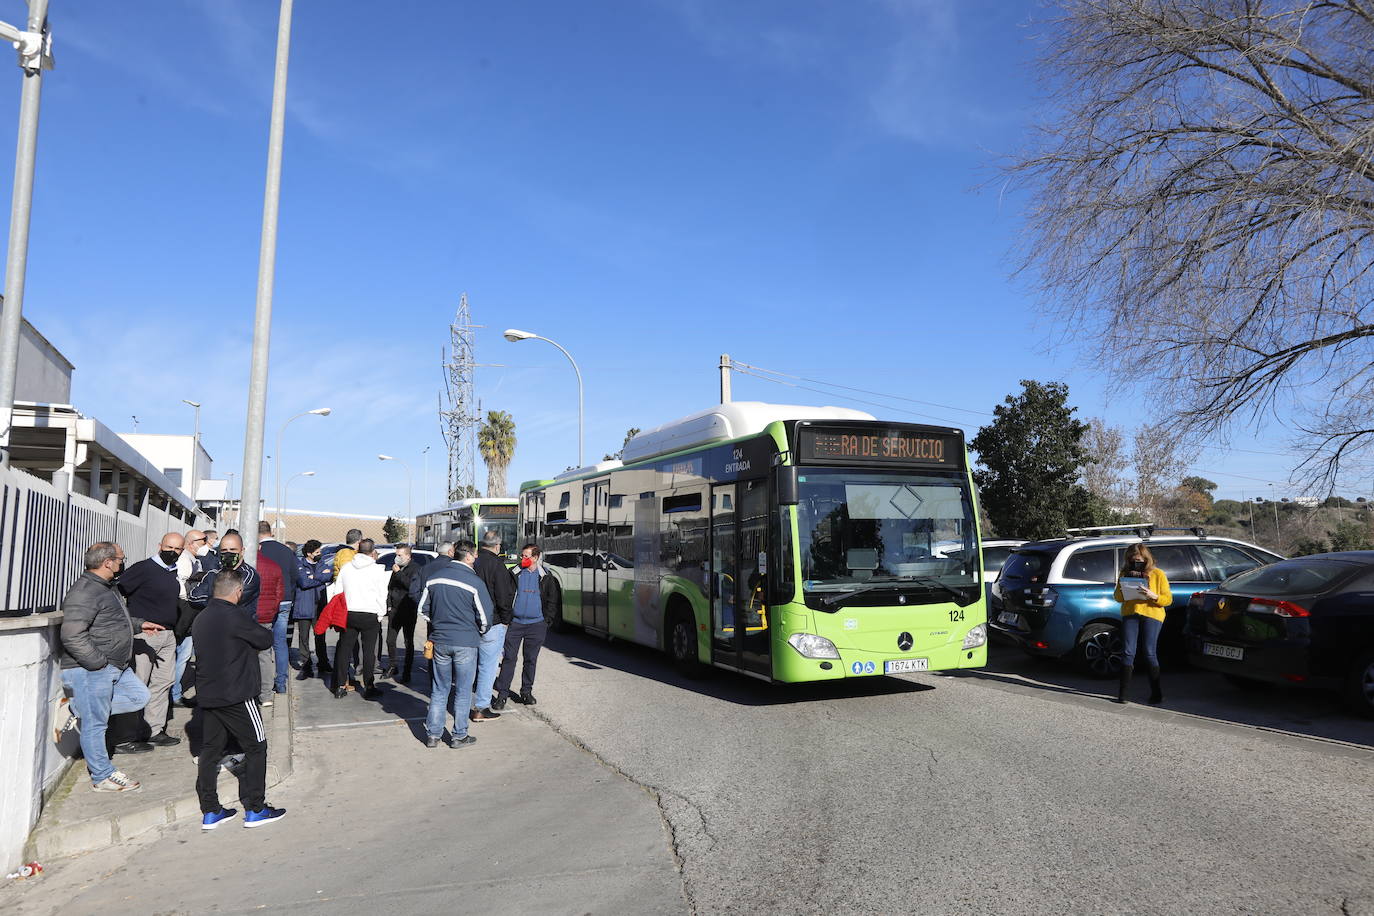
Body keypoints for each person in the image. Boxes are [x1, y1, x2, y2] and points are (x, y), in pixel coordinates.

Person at [192, 567, 286, 830]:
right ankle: (256, 808)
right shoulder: (236, 616)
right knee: (257, 747)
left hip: (209, 694)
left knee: (210, 751)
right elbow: (265, 639)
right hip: (237, 694)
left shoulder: (202, 617)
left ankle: (211, 811)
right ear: (237, 592)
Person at [58, 543, 157, 792]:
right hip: (94, 669)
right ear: (108, 562)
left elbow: (110, 621)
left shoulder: (105, 587)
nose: (123, 563)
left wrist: (138, 625)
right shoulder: (85, 591)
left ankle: (77, 708)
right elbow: (72, 635)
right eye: (121, 559)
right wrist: (98, 664)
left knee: (139, 697)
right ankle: (102, 776)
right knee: (96, 723)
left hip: (115, 666)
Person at [418, 540, 491, 748]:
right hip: (466, 642)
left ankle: (433, 735)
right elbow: (486, 618)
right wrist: (478, 632)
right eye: (474, 555)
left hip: (440, 640)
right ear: (467, 556)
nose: (476, 558)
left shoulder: (434, 579)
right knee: (462, 690)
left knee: (439, 689)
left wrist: (439, 624)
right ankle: (459, 735)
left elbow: (423, 609)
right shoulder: (474, 582)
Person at [116, 532, 186, 747]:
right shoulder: (143, 568)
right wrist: (134, 623)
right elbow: (119, 590)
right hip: (145, 634)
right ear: (160, 545)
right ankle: (127, 735)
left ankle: (154, 730)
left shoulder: (173, 571)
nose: (172, 552)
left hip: (167, 634)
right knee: (138, 682)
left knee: (163, 683)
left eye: (177, 549)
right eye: (169, 547)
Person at [491, 543, 561, 710]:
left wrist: (546, 620)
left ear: (536, 557)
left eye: (527, 556)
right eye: (522, 556)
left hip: (536, 626)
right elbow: (505, 596)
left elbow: (553, 600)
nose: (523, 559)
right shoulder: (514, 573)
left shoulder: (546, 576)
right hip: (515, 624)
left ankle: (526, 692)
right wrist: (506, 618)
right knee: (509, 659)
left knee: (530, 660)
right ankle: (502, 695)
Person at [1113, 544, 1172, 705]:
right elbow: (1117, 597)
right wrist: (1126, 587)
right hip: (1131, 613)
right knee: (1128, 651)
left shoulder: (1158, 574)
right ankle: (1122, 695)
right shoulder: (1125, 573)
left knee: (1149, 652)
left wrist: (1153, 596)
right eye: (1132, 560)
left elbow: (1167, 599)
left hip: (1152, 614)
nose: (1135, 563)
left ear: (1146, 559)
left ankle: (1156, 693)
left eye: (1139, 560)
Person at [334, 538, 389, 699]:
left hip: (350, 612)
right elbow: (382, 594)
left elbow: (338, 592)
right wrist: (380, 614)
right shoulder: (378, 570)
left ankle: (340, 685)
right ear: (373, 552)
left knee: (345, 650)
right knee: (369, 651)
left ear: (358, 549)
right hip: (370, 613)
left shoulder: (346, 568)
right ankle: (369, 686)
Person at [470, 529, 515, 722]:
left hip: (471, 621)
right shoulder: (498, 565)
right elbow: (503, 597)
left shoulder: (473, 562)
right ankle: (480, 707)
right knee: (487, 667)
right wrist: (506, 620)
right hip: (493, 622)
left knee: (470, 666)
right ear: (497, 546)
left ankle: (463, 704)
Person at [257, 521, 298, 696]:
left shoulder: (257, 550)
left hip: (264, 599)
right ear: (271, 532)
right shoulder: (286, 550)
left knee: (262, 643)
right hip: (285, 599)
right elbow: (295, 575)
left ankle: (263, 683)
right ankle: (281, 683)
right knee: (280, 642)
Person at [172, 530, 206, 707]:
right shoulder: (185, 560)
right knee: (182, 655)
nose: (206, 544)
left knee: (182, 654)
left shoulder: (194, 559)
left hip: (190, 612)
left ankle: (174, 692)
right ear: (191, 543)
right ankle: (174, 693)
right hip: (185, 612)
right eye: (203, 540)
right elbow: (181, 585)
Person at [188, 533, 260, 612]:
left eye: (233, 550)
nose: (228, 553)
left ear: (242, 551)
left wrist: (210, 599)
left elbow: (230, 602)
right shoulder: (213, 574)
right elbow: (193, 598)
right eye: (224, 550)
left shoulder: (249, 575)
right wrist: (216, 600)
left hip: (238, 623)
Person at [293, 539, 333, 679]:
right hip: (305, 604)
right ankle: (306, 664)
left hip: (320, 605)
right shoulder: (299, 564)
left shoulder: (322, 564)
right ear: (309, 554)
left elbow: (329, 575)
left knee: (320, 635)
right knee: (304, 637)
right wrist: (319, 578)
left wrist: (314, 577)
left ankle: (323, 663)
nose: (320, 554)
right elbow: (303, 582)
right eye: (317, 552)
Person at [384, 545, 422, 683]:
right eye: (396, 554)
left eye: (400, 555)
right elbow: (390, 587)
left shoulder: (415, 568)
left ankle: (407, 670)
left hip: (408, 609)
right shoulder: (396, 569)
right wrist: (389, 604)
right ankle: (393, 665)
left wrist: (399, 573)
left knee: (408, 641)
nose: (397, 557)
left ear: (407, 556)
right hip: (394, 609)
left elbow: (411, 586)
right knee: (390, 640)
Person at [253, 552, 285, 708]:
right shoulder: (274, 566)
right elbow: (279, 593)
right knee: (265, 655)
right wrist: (272, 610)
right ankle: (266, 694)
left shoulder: (244, 565)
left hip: (246, 615)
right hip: (266, 616)